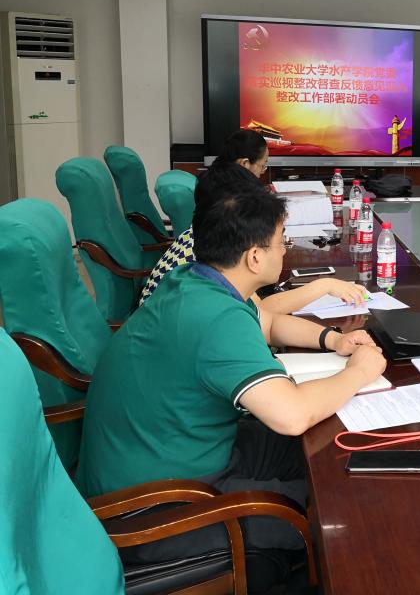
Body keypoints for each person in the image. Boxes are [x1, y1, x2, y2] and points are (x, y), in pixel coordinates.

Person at [76, 181, 386, 560]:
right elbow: (291, 415)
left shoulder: (195, 281)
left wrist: (334, 340)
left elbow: (268, 322)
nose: (284, 250)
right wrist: (360, 372)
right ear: (254, 257)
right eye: (281, 242)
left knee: (331, 454)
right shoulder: (217, 317)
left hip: (179, 455)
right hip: (153, 508)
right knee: (336, 509)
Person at [140, 128, 366, 311]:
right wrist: (322, 286)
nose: (283, 248)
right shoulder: (219, 253)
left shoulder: (211, 227)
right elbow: (261, 313)